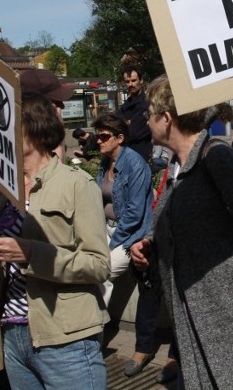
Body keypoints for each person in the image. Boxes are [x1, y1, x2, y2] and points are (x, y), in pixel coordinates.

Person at [129, 75, 233, 389]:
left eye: (149, 114)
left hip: (229, 331)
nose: (143, 121)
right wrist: (153, 244)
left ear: (167, 119)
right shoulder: (177, 166)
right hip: (197, 330)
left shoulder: (217, 158)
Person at [0, 94, 110, 388]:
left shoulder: (76, 184)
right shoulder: (2, 189)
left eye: (8, 124)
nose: (0, 131)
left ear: (34, 129)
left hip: (64, 338)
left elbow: (99, 266)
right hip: (13, 335)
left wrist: (31, 254)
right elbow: (5, 267)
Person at [92, 113, 159, 376]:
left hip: (129, 235)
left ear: (120, 138)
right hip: (105, 230)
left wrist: (110, 246)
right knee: (89, 271)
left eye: (105, 136)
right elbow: (99, 200)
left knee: (101, 274)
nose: (99, 141)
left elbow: (133, 213)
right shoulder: (104, 162)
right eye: (98, 136)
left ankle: (92, 340)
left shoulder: (135, 164)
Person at [117, 65, 153, 164]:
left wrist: (125, 124)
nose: (130, 84)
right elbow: (116, 126)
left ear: (141, 80)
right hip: (125, 154)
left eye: (133, 80)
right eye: (127, 81)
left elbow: (134, 133)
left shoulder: (147, 103)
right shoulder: (125, 105)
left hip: (142, 154)